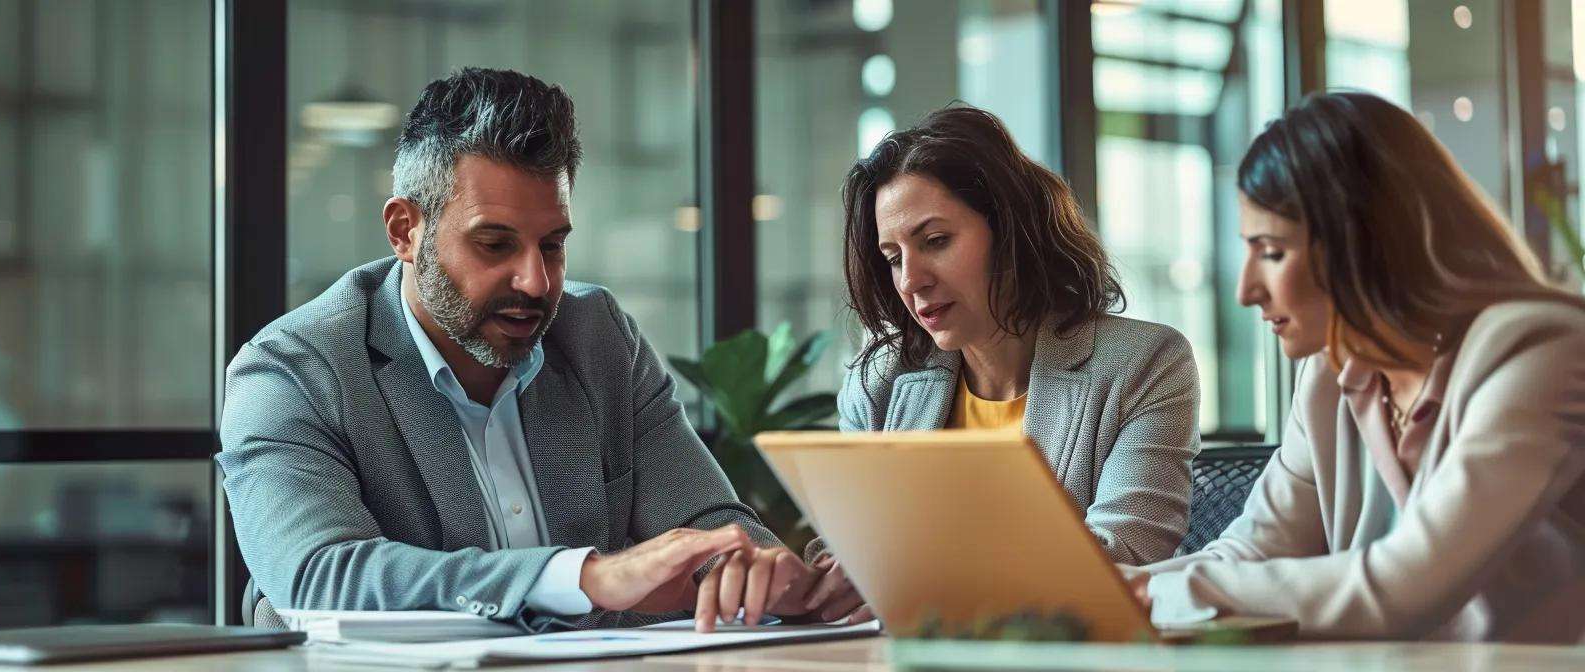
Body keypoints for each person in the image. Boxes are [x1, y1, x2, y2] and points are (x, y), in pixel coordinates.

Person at [219, 68, 846, 632]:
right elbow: (316, 575)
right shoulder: (293, 370)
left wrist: (752, 572)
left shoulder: (598, 336)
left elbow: (705, 519)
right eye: (495, 245)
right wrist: (583, 577)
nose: (536, 282)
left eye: (552, 245)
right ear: (405, 230)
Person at [1127, 91, 1585, 646]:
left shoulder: (1550, 352)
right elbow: (1251, 553)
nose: (1246, 290)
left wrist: (1155, 593)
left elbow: (1404, 585)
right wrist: (1110, 588)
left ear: (1366, 246)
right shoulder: (1331, 377)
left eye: (1272, 252)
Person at [697, 106, 1204, 627]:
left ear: (1010, 231)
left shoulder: (1144, 363)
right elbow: (853, 558)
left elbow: (1122, 553)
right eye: (893, 257)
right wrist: (811, 583)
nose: (911, 280)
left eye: (935, 242)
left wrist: (917, 587)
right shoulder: (881, 381)